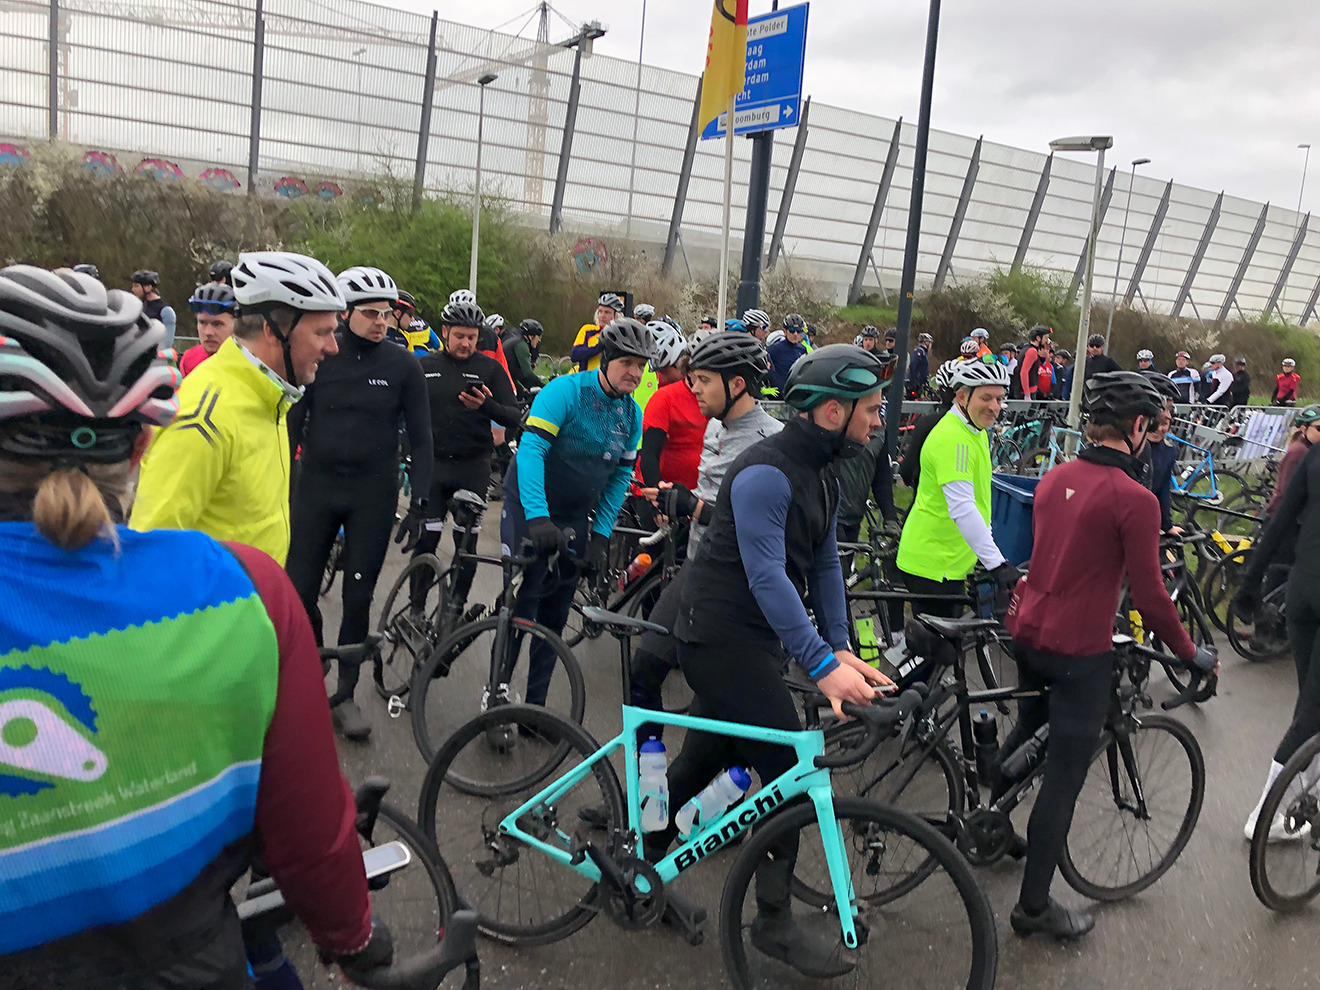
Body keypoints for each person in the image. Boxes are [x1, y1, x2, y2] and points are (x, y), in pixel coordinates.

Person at [0, 265, 391, 988]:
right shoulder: (211, 418)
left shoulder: (271, 402)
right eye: (322, 330)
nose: (334, 345)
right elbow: (143, 545)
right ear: (139, 449)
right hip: (223, 636)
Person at [650, 345, 893, 978]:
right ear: (833, 411)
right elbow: (766, 575)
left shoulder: (825, 471)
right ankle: (773, 919)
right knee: (789, 769)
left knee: (701, 762)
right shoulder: (766, 472)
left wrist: (840, 645)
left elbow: (825, 560)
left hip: (752, 641)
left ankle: (638, 866)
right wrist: (820, 665)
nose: (878, 420)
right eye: (870, 408)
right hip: (718, 639)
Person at [1003, 371, 1216, 938]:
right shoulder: (1136, 500)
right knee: (1063, 778)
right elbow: (1150, 596)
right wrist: (1190, 653)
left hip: (1028, 630)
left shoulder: (1054, 478)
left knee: (1026, 731)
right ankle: (1033, 909)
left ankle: (991, 829)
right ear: (1138, 425)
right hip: (1080, 649)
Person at [283, 265, 433, 741]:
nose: (381, 321)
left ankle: (345, 694)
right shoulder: (322, 357)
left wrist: (420, 502)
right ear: (346, 313)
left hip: (372, 492)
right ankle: (313, 664)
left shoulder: (403, 365)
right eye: (370, 313)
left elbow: (422, 438)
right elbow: (292, 424)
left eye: (386, 314)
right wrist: (279, 483)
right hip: (317, 486)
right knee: (298, 589)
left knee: (358, 596)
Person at [131, 251, 343, 563]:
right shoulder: (204, 420)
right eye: (322, 332)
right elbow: (150, 558)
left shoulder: (268, 395)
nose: (333, 347)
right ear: (273, 331)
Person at [501, 318, 648, 706]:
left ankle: (535, 707)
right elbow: (532, 450)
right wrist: (537, 516)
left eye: (641, 365)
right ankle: (496, 695)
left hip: (573, 516)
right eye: (627, 363)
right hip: (529, 507)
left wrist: (601, 535)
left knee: (555, 613)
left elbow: (619, 477)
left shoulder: (632, 415)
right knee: (521, 607)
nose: (635, 373)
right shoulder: (565, 391)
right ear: (607, 359)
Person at [410, 299, 522, 626]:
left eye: (472, 337)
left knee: (466, 544)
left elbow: (515, 416)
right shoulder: (424, 365)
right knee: (427, 539)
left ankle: (454, 611)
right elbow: (405, 413)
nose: (465, 343)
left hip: (473, 467)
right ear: (444, 331)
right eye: (459, 336)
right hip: (433, 467)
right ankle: (416, 609)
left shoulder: (490, 369)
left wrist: (487, 406)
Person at [896, 356, 1019, 618]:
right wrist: (997, 564)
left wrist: (987, 554)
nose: (994, 407)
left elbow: (980, 501)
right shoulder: (954, 438)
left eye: (999, 399)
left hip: (949, 561)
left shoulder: (975, 431)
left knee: (953, 637)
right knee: (941, 641)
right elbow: (963, 508)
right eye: (986, 398)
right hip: (933, 564)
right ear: (961, 397)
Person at [634, 322, 702, 496]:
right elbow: (650, 454)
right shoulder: (665, 397)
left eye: (664, 372)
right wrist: (660, 494)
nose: (661, 378)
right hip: (662, 491)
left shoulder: (713, 398)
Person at [899, 359, 960, 493]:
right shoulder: (977, 429)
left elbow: (907, 470)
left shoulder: (928, 423)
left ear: (941, 390)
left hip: (928, 498)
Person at [1265, 405, 1320, 520]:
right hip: (1283, 519)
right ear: (1304, 429)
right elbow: (1289, 490)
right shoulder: (1299, 451)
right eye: (1319, 429)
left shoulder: (1311, 450)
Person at [180, 280, 237, 376]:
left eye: (217, 324)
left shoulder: (253, 362)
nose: (208, 332)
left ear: (236, 325)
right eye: (202, 323)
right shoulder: (190, 359)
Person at [571, 292, 625, 371]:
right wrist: (600, 346)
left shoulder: (622, 335)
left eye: (607, 312)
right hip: (587, 376)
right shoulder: (587, 330)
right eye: (600, 311)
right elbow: (575, 355)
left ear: (616, 316)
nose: (602, 316)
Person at [130, 269, 177, 350]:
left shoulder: (166, 311)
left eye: (136, 286)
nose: (133, 289)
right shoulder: (139, 308)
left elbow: (167, 345)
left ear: (148, 287)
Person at [386, 289, 440, 354]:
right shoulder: (380, 336)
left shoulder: (405, 337)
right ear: (398, 314)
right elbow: (439, 346)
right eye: (410, 314)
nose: (413, 319)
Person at [768, 314, 809, 392]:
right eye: (792, 330)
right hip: (777, 395)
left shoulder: (803, 349)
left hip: (796, 393)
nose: (795, 334)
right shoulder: (774, 349)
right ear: (784, 331)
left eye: (799, 331)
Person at [505, 317, 545, 393]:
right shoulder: (522, 345)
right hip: (505, 379)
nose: (539, 340)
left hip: (509, 377)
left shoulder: (517, 340)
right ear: (531, 336)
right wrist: (544, 386)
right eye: (538, 336)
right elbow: (527, 373)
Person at [1016, 326, 1053, 401]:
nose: (1047, 341)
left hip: (1027, 389)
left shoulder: (1027, 349)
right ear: (1038, 338)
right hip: (1028, 391)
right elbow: (1024, 372)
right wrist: (1027, 394)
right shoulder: (1032, 351)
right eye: (1046, 338)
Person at [906, 332, 933, 398]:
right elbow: (913, 365)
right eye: (930, 343)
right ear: (926, 343)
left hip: (918, 384)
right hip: (914, 384)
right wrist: (914, 381)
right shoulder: (919, 352)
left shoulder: (922, 353)